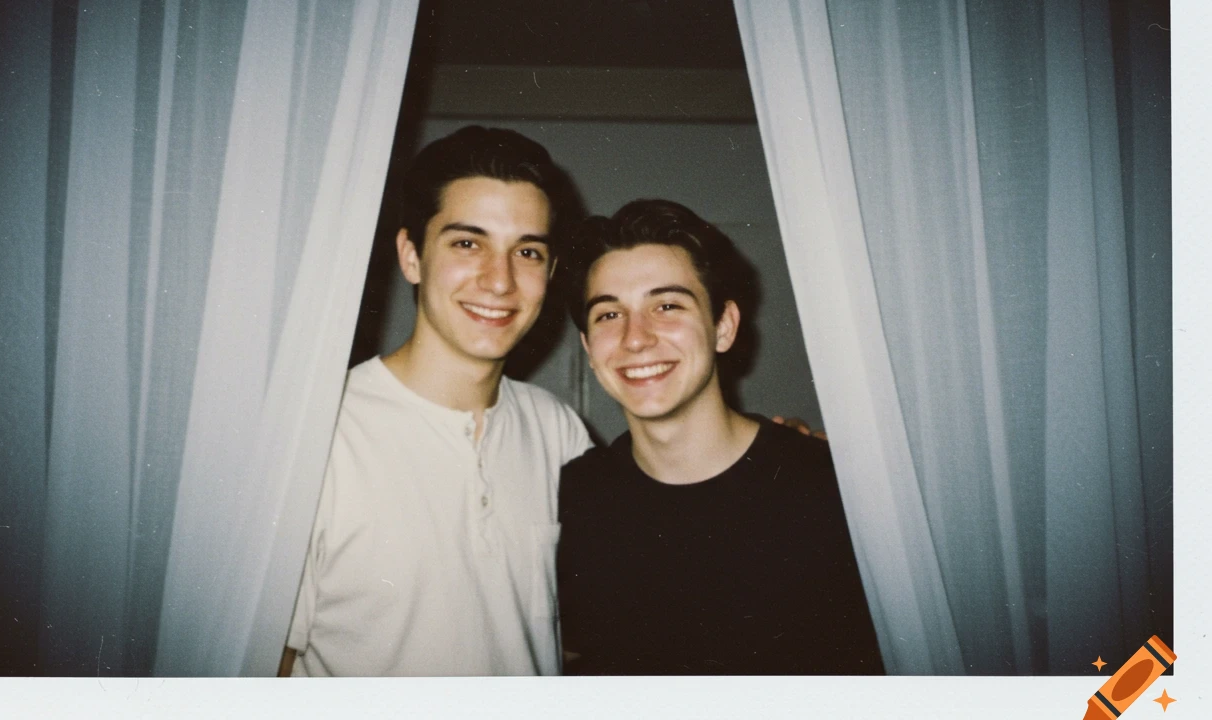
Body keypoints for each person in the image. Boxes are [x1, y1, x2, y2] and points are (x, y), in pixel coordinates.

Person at [280, 126, 590, 676]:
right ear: (411, 255)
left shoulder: (559, 432)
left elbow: (583, 629)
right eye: (468, 243)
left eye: (528, 251)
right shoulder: (318, 434)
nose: (500, 281)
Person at [556, 199, 883, 675]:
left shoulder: (837, 489)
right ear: (588, 346)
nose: (635, 338)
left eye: (666, 306)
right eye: (609, 315)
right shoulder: (575, 497)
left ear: (723, 327)